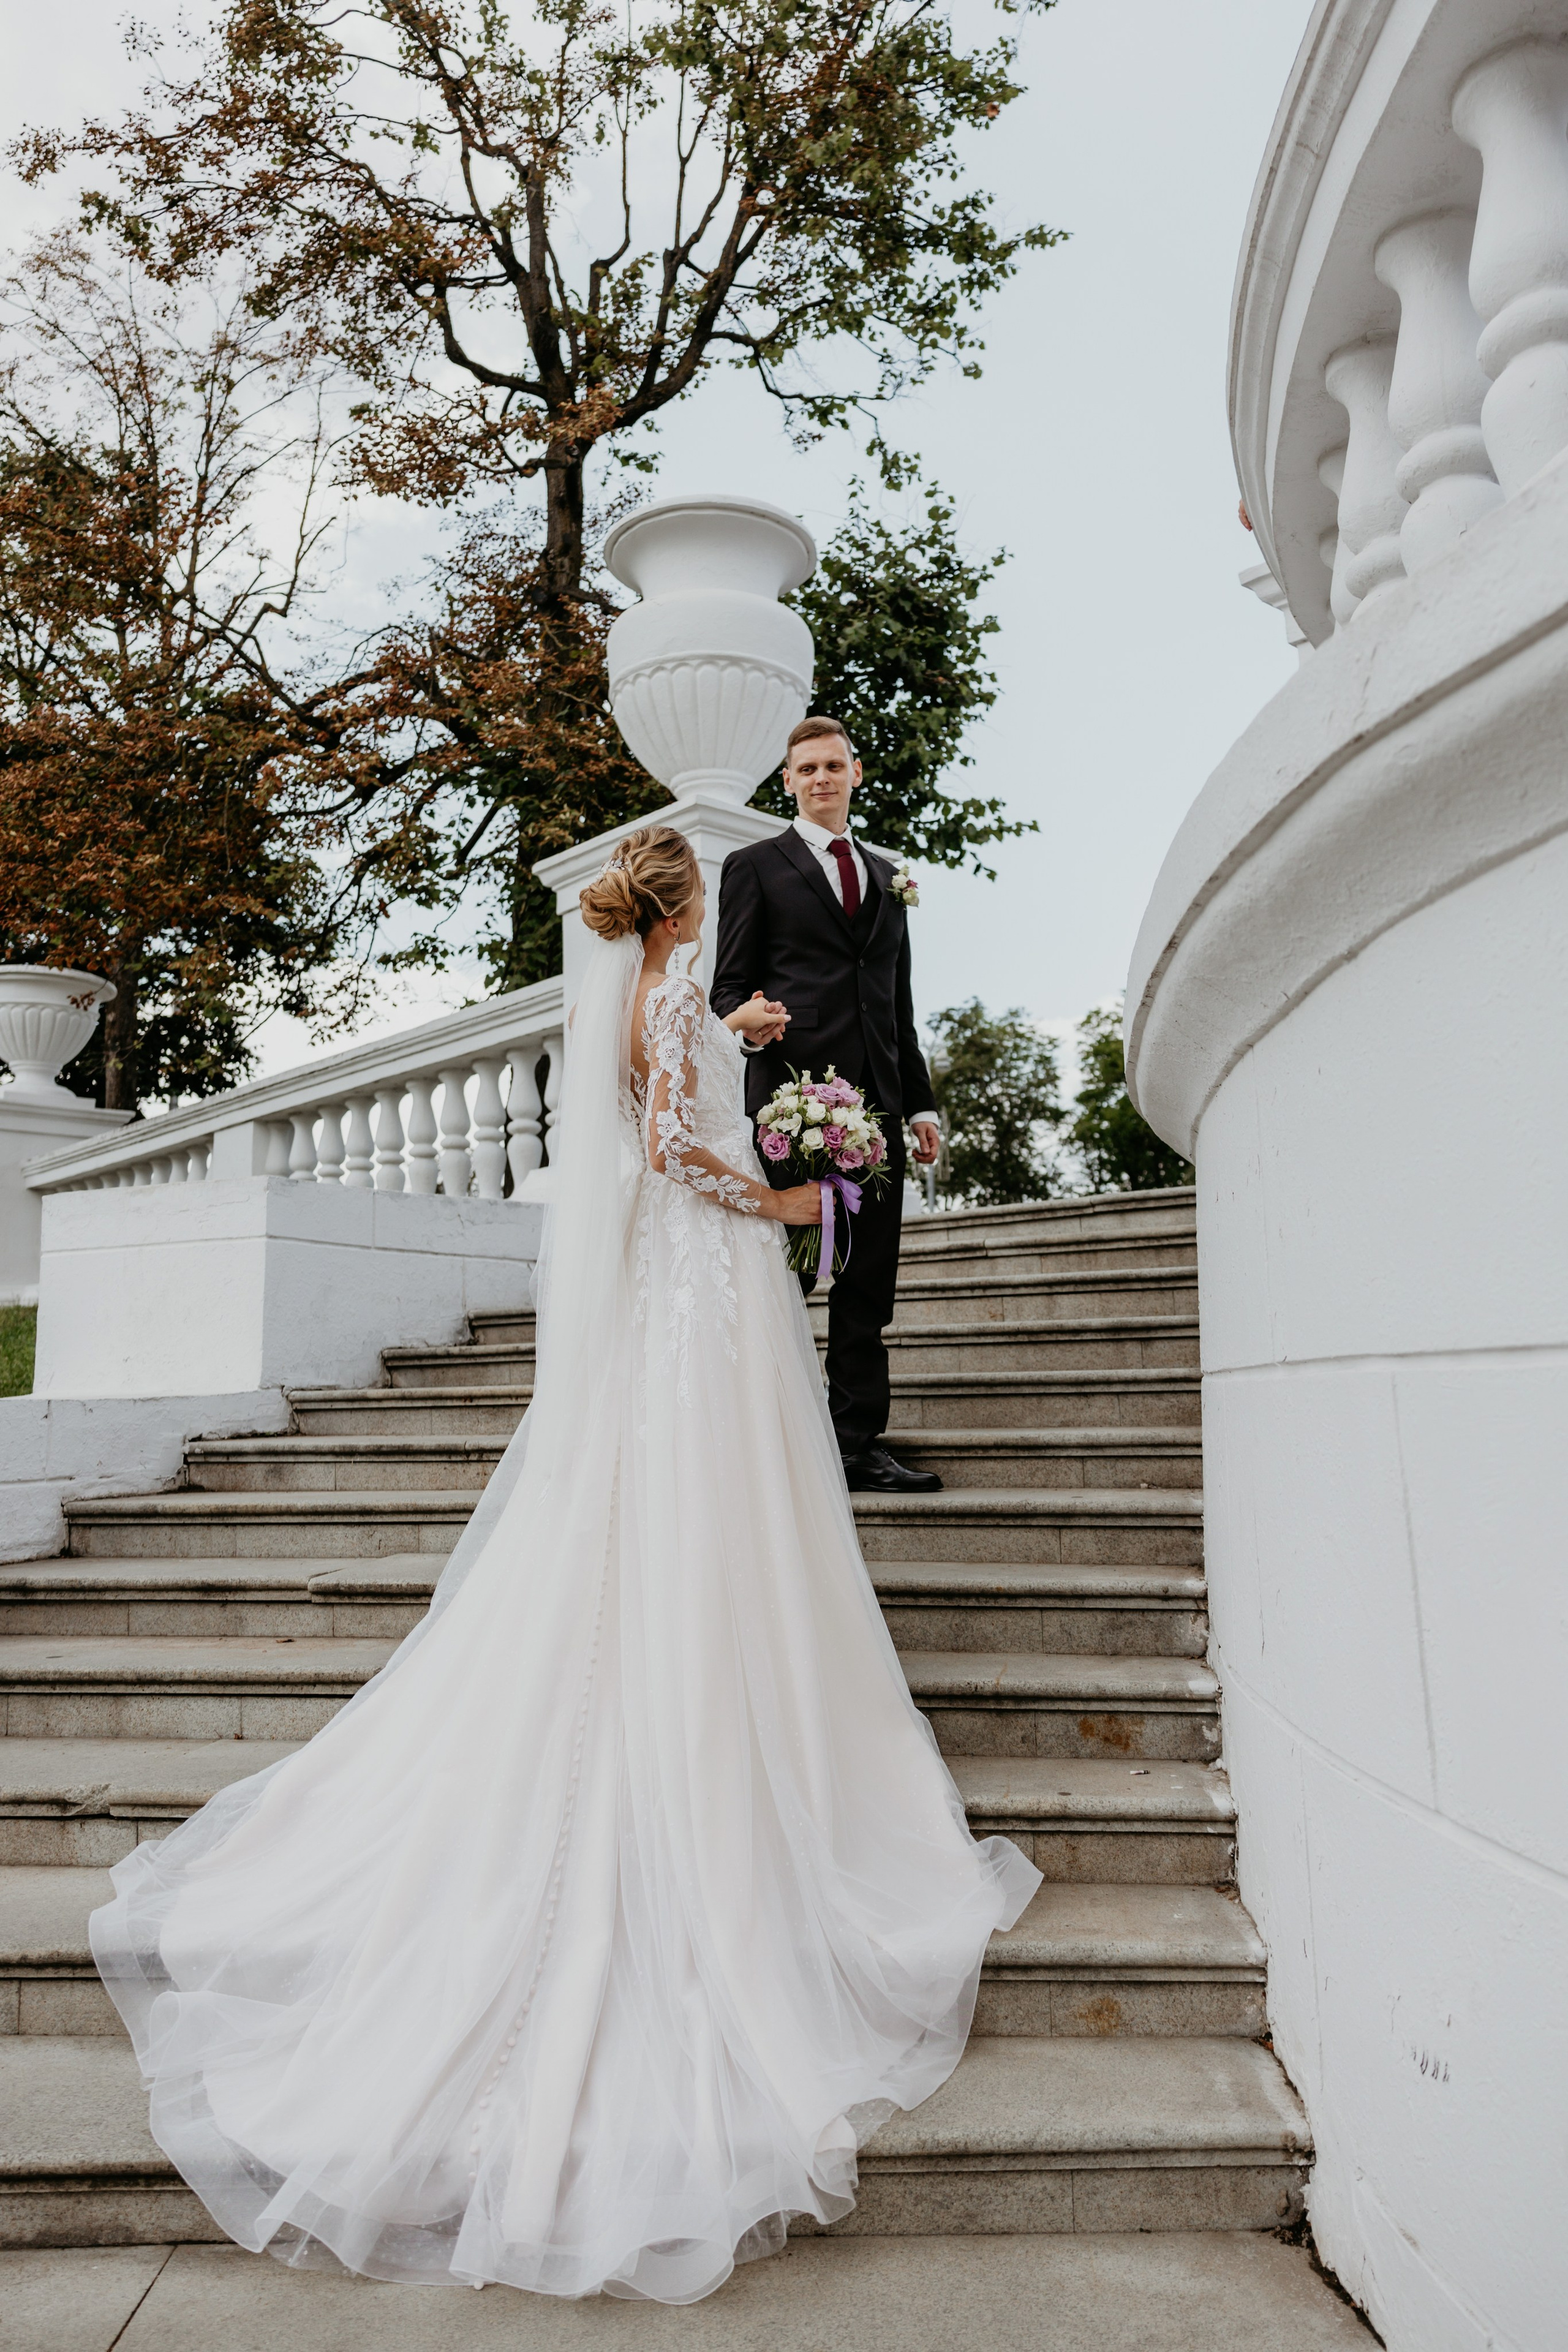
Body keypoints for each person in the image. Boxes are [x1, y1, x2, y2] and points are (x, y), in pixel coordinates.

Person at [91, 826, 1039, 2307]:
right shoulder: (665, 999)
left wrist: (738, 1043)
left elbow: (656, 1088)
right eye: (710, 899)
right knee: (723, 1500)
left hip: (675, 1285)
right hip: (707, 1264)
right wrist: (791, 1199)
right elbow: (672, 1146)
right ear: (683, 908)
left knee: (690, 1498)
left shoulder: (654, 995)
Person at [712, 714, 943, 1493]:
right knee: (783, 1273)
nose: (820, 778)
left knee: (867, 1284)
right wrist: (753, 1033)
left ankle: (853, 1447)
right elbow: (727, 988)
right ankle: (764, 1441)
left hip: (875, 1109)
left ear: (854, 773)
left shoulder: (887, 876)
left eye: (832, 766)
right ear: (787, 780)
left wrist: (920, 1105)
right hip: (791, 1104)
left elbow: (895, 1004)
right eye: (805, 768)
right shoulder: (754, 866)